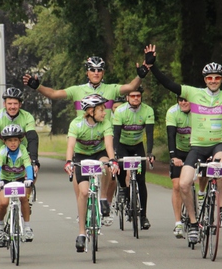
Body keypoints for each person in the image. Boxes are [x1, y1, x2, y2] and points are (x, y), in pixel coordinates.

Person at [147, 40, 222, 244]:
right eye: (210, 77)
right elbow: (169, 84)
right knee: (185, 184)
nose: (213, 80)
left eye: (217, 78)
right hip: (196, 147)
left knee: (219, 164)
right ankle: (194, 224)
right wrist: (153, 67)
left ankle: (221, 208)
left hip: (217, 145)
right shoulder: (193, 94)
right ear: (205, 79)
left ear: (221, 79)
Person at [23, 56, 147, 217]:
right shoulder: (77, 90)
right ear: (87, 72)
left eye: (99, 70)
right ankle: (81, 208)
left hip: (103, 140)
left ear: (103, 72)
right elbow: (54, 94)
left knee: (111, 173)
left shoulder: (110, 89)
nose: (96, 73)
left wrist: (141, 75)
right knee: (78, 175)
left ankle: (106, 203)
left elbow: (131, 86)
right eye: (92, 70)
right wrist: (38, 86)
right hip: (83, 140)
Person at [64, 94, 119, 252]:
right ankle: (81, 233)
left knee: (107, 165)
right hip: (81, 157)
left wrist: (113, 160)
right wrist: (69, 161)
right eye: (101, 110)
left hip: (98, 153)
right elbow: (70, 147)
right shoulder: (76, 124)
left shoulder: (106, 123)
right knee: (83, 192)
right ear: (90, 111)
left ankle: (103, 198)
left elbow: (108, 145)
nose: (104, 113)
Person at [113, 86, 155, 229]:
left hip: (137, 146)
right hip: (122, 145)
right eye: (133, 96)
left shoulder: (148, 110)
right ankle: (124, 191)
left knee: (141, 180)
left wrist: (149, 153)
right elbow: (116, 134)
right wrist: (114, 153)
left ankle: (143, 216)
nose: (136, 98)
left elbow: (149, 134)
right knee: (121, 169)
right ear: (127, 98)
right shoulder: (120, 111)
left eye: (138, 95)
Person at [0, 124, 35, 246]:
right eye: (10, 140)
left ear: (20, 140)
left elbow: (28, 165)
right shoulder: (2, 151)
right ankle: (0, 226)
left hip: (20, 179)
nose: (13, 143)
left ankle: (27, 228)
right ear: (4, 141)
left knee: (24, 199)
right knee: (3, 203)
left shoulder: (23, 150)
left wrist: (30, 178)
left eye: (15, 140)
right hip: (5, 180)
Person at [0, 87, 39, 179]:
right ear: (4, 104)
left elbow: (32, 138)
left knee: (33, 174)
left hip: (22, 150)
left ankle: (27, 193)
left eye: (15, 103)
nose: (12, 107)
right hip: (2, 151)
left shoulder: (27, 117)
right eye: (9, 103)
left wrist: (34, 159)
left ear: (20, 104)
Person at [166, 94, 193, 238]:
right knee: (177, 185)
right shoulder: (172, 112)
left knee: (201, 178)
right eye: (180, 100)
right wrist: (173, 156)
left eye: (186, 100)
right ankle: (178, 223)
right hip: (179, 151)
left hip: (195, 150)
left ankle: (200, 199)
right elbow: (171, 135)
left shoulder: (198, 111)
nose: (183, 102)